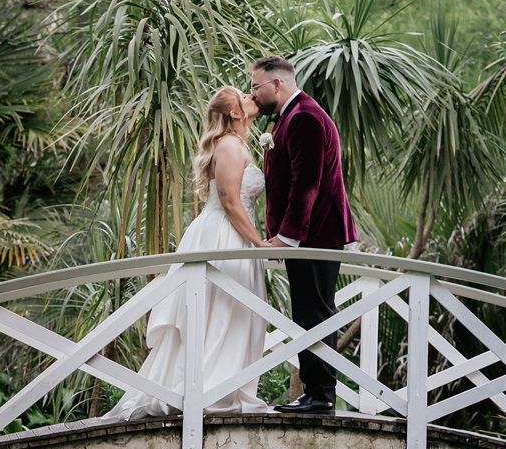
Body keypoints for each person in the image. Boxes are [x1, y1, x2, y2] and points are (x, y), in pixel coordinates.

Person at [103, 87, 268, 421]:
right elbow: (229, 201)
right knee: (219, 312)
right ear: (234, 112)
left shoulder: (239, 143)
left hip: (236, 234)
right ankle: (204, 389)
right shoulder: (229, 145)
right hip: (224, 235)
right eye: (245, 96)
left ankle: (223, 387)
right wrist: (260, 243)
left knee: (235, 311)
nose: (252, 97)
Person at [249, 56, 358, 415]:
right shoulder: (290, 117)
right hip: (310, 236)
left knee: (315, 314)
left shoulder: (304, 117)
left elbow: (306, 183)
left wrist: (287, 237)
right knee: (310, 313)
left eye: (256, 86)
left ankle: (321, 395)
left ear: (276, 84)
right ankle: (317, 392)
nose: (253, 93)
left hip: (317, 235)